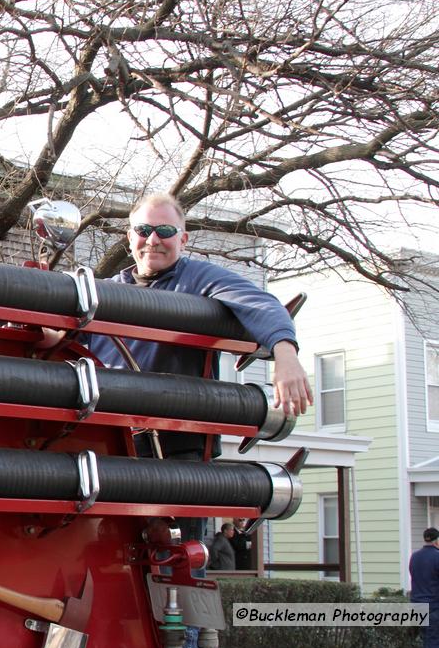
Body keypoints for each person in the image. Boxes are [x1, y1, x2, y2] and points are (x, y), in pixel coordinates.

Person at [85, 192, 312, 460]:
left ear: (183, 239)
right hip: (106, 443)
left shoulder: (199, 279)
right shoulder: (101, 293)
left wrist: (286, 355)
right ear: (130, 238)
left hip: (179, 448)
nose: (153, 239)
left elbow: (261, 305)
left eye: (165, 231)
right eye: (143, 230)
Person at [410, 527, 439, 648]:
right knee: (433, 642)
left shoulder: (414, 557)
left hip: (417, 605)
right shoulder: (437, 556)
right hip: (433, 606)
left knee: (425, 640)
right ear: (436, 540)